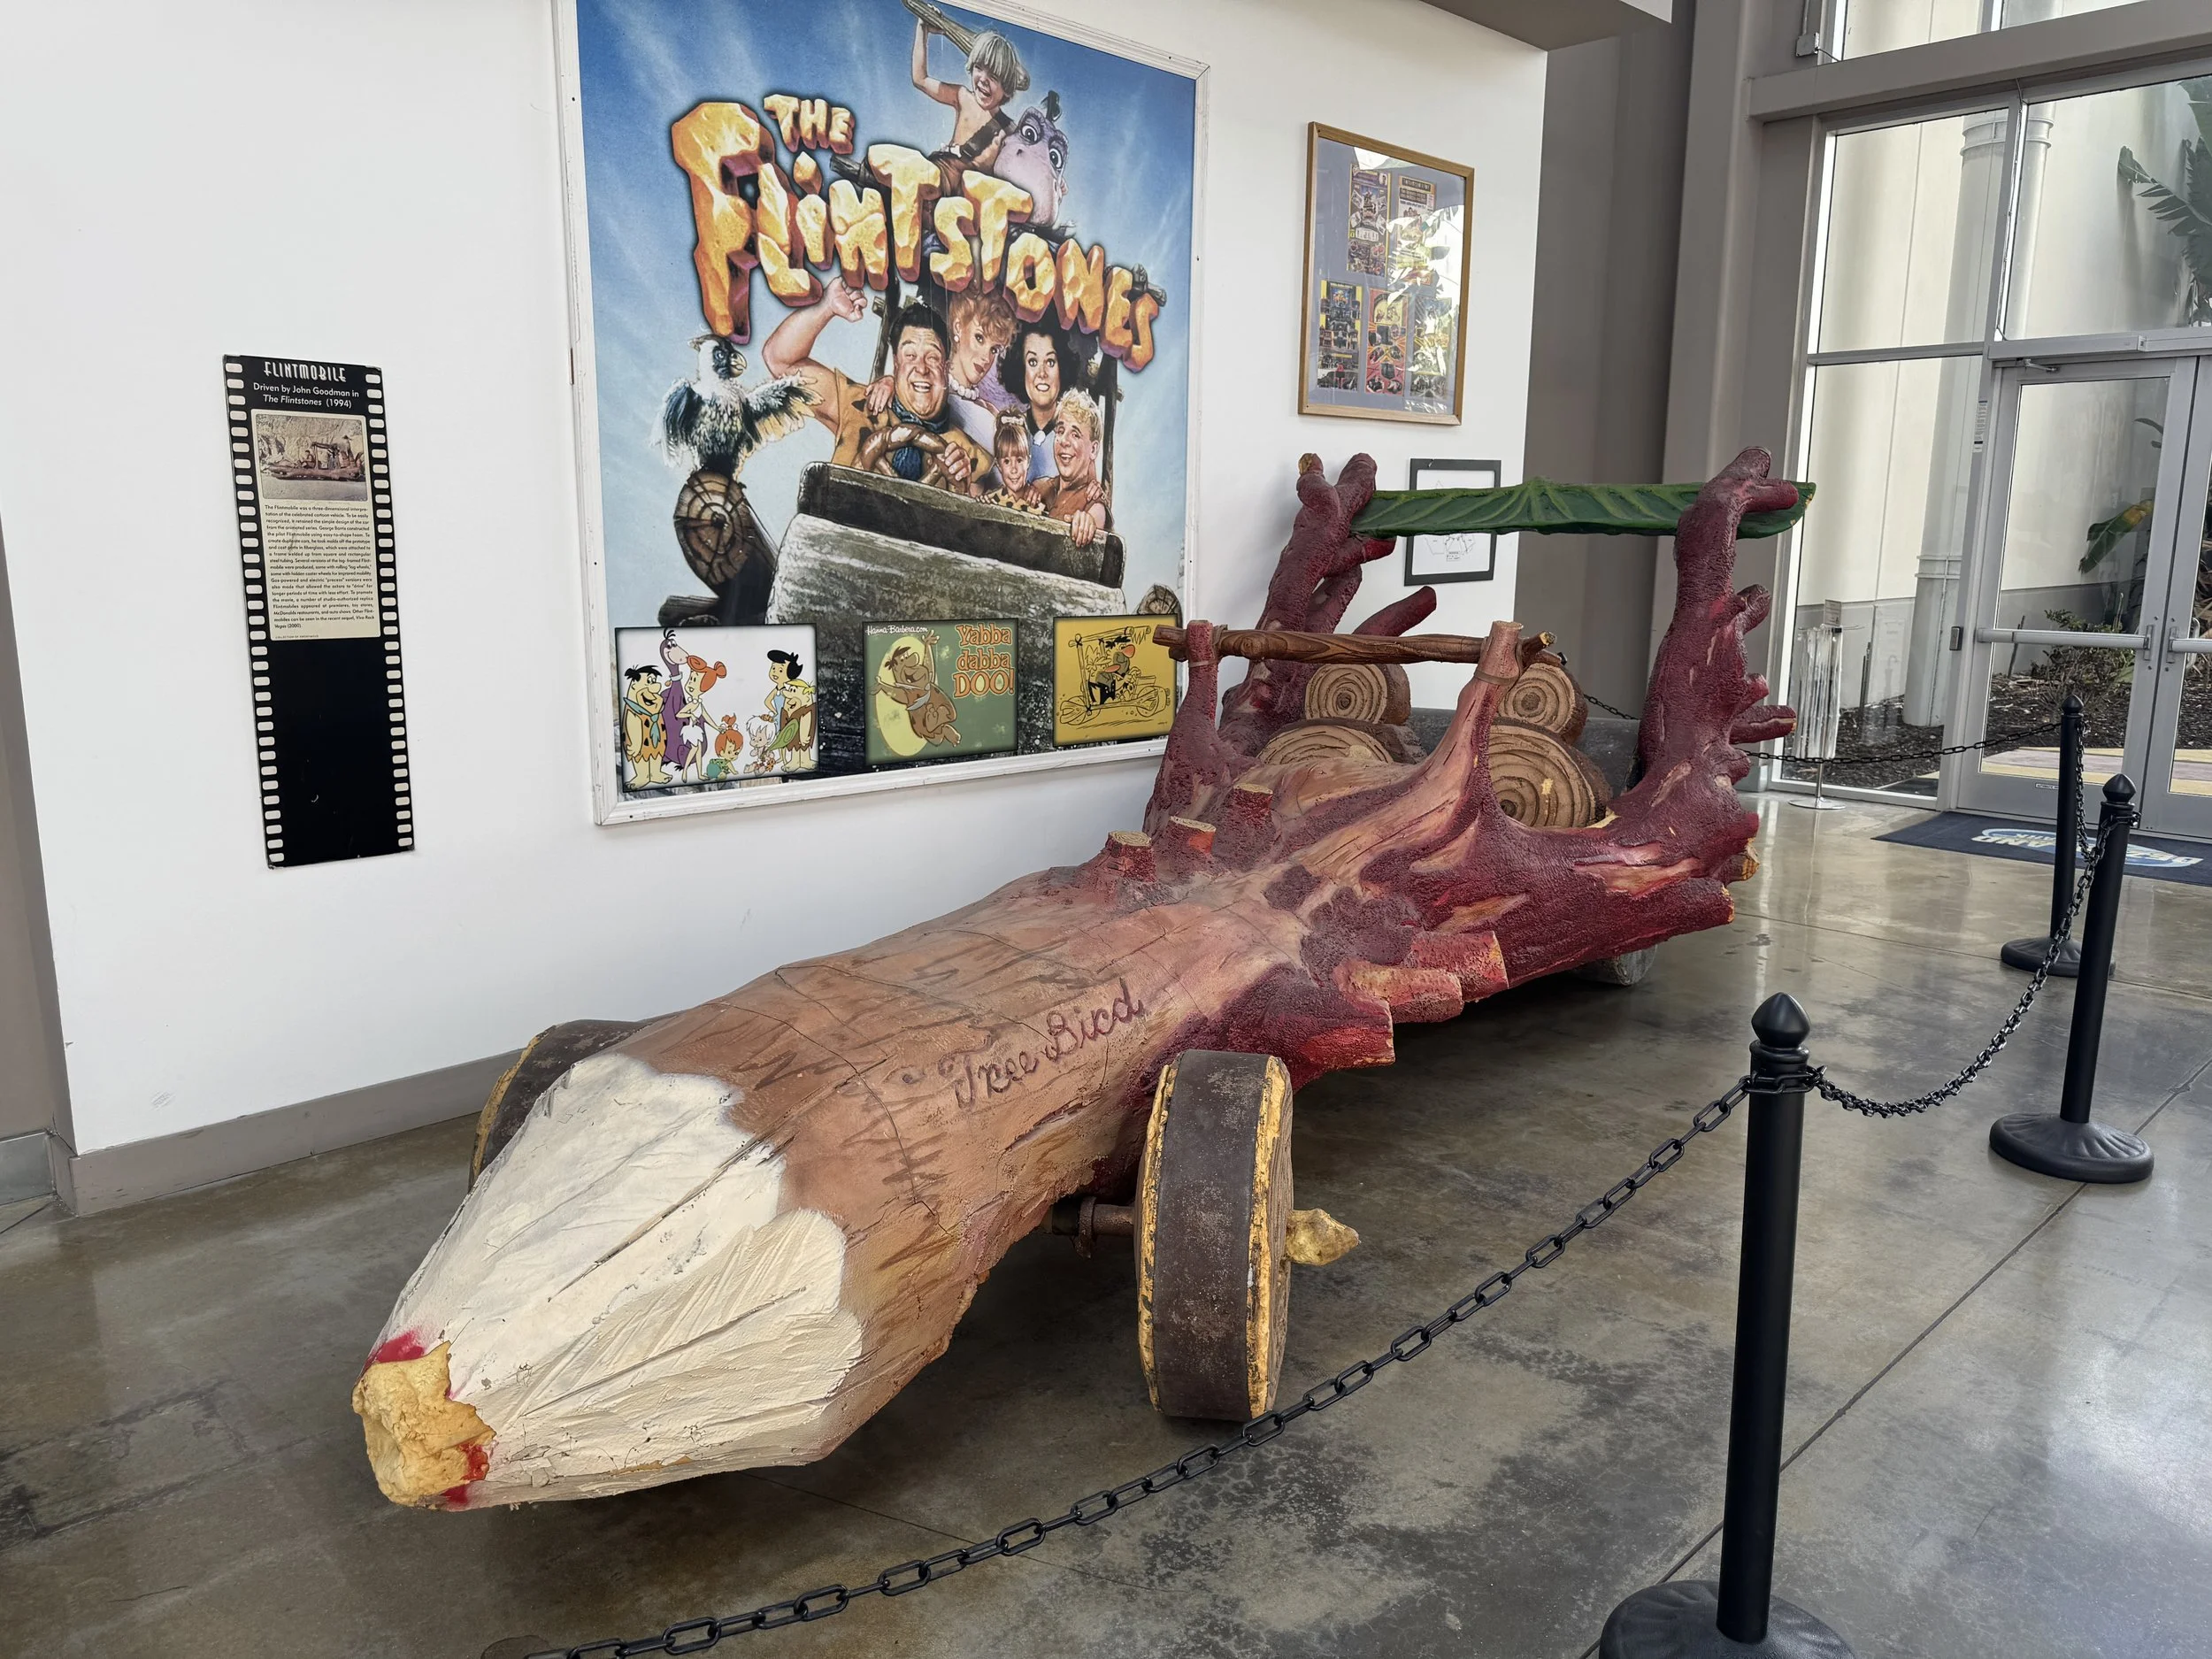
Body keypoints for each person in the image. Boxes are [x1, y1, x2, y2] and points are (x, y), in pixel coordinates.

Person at [763, 275, 989, 495]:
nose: (921, 368)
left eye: (932, 357)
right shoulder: (859, 405)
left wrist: (969, 488)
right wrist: (826, 307)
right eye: (910, 355)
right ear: (897, 364)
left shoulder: (969, 457)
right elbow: (780, 361)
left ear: (946, 368)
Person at [867, 288, 1014, 450]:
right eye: (979, 338)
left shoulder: (988, 410)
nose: (986, 358)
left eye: (994, 349)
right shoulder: (926, 391)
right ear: (958, 327)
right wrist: (891, 383)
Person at [912, 19, 1030, 193]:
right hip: (943, 174)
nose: (983, 79)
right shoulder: (963, 97)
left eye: (994, 77)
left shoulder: (1010, 130)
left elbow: (1026, 168)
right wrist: (922, 29)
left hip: (972, 196)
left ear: (1007, 89)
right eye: (978, 68)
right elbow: (920, 79)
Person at [997, 321, 1080, 482]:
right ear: (1021, 369)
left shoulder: (1075, 434)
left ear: (1061, 368)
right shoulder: (1009, 428)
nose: (1042, 373)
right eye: (1033, 362)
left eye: (1050, 362)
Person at [1033, 389, 1111, 548]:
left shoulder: (1094, 504)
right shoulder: (1041, 487)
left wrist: (1087, 523)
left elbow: (1095, 518)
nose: (1064, 441)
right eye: (1061, 431)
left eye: (1075, 435)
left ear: (1094, 450)